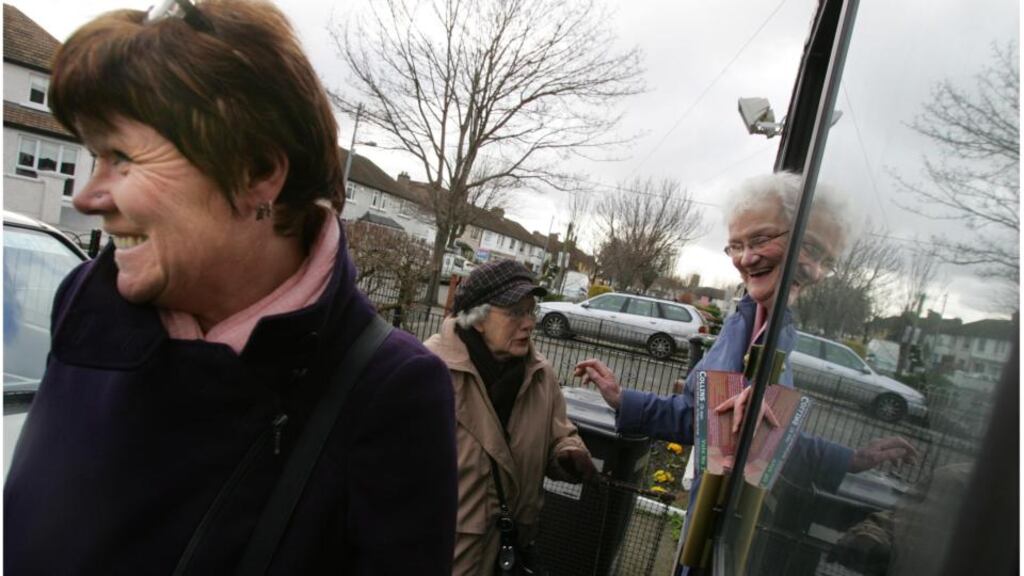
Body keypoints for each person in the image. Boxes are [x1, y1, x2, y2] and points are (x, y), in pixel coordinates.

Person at [3, 1, 457, 573]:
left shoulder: (389, 392)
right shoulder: (84, 302)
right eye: (94, 156)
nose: (86, 198)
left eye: (121, 157)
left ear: (257, 173)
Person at [574, 172, 917, 572]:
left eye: (760, 240)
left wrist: (851, 459)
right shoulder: (746, 320)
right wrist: (622, 398)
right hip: (707, 534)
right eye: (737, 245)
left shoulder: (777, 328)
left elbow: (760, 441)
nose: (745, 258)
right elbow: (708, 423)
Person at [425, 260, 597, 575]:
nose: (529, 323)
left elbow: (559, 434)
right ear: (478, 318)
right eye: (515, 312)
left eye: (532, 311)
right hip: (449, 558)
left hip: (512, 556)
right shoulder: (430, 371)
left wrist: (566, 453)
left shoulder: (541, 375)